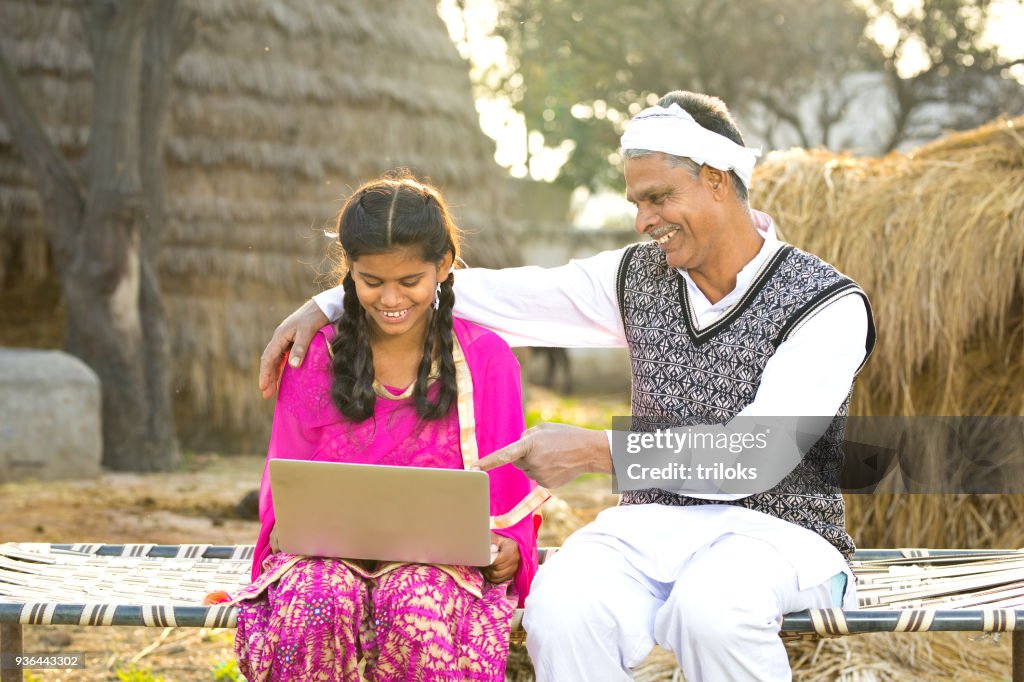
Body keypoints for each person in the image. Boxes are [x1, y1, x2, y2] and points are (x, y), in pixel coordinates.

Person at [259, 92, 876, 681]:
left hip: (780, 535)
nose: (642, 221)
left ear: (716, 178)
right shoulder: (639, 277)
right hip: (652, 526)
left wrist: (594, 452)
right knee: (559, 609)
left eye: (658, 198)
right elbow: (482, 291)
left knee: (712, 612)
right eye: (637, 201)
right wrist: (331, 302)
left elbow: (759, 456)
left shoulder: (826, 304)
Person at [233, 173, 547, 682]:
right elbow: (284, 482)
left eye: (409, 282)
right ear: (350, 272)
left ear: (444, 266)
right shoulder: (315, 355)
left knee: (414, 610)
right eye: (372, 282)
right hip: (323, 558)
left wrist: (510, 543)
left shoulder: (486, 359)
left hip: (441, 566)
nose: (390, 299)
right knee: (320, 605)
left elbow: (508, 486)